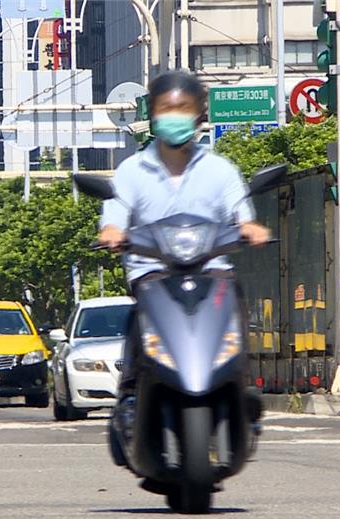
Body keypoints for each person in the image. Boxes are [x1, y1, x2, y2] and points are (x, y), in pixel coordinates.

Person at [97, 71, 272, 413]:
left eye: (183, 108)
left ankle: (240, 378)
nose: (174, 115)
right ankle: (130, 388)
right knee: (140, 314)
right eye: (166, 108)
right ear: (153, 114)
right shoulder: (131, 170)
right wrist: (112, 232)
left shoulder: (221, 170)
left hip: (211, 269)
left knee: (234, 300)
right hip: (152, 272)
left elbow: (242, 213)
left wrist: (251, 228)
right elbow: (115, 214)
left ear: (199, 115)